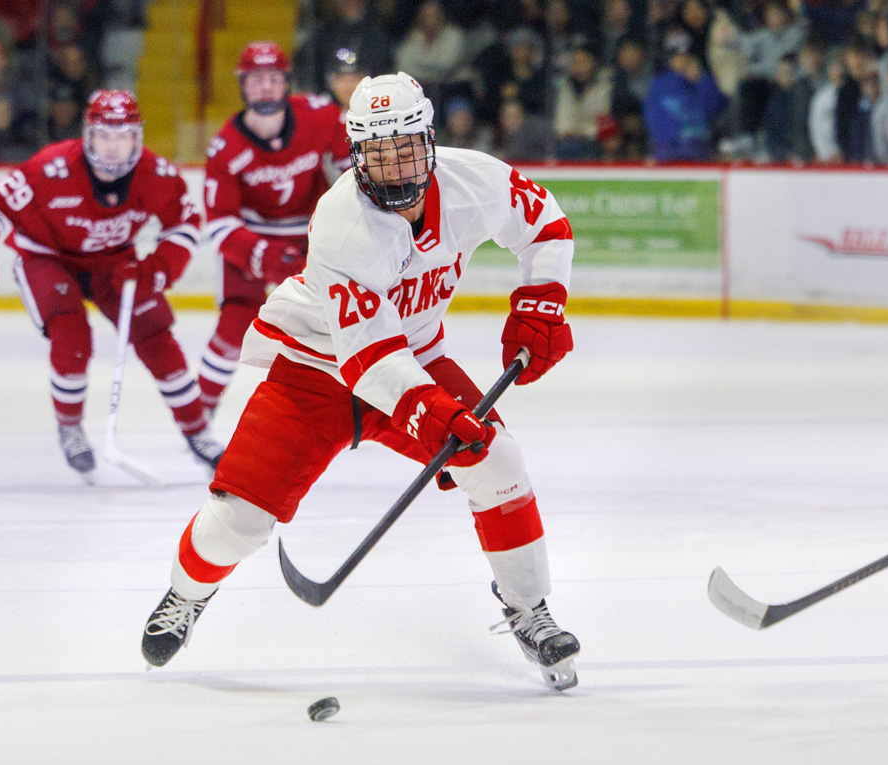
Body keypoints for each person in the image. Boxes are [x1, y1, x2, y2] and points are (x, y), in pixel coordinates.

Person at [140, 73, 582, 690]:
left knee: (498, 459)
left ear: (429, 139)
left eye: (406, 147)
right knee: (238, 520)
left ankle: (528, 608)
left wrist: (541, 299)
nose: (395, 164)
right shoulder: (343, 222)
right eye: (378, 151)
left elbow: (546, 225)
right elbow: (366, 357)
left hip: (415, 359)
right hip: (316, 370)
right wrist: (429, 410)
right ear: (355, 153)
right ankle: (184, 594)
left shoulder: (471, 177)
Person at [0, 89, 226, 477]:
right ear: (88, 135)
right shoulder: (51, 167)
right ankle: (70, 426)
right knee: (71, 336)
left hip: (114, 261)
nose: (113, 148)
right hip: (47, 257)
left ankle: (198, 433)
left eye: (123, 136)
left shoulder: (156, 174)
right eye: (104, 136)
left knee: (156, 336)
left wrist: (158, 267)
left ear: (138, 137)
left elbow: (185, 222)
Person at [196, 41, 348, 417]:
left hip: (310, 237)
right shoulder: (225, 147)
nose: (265, 87)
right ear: (242, 86)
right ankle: (198, 413)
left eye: (273, 78)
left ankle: (340, 404)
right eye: (256, 79)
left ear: (287, 82)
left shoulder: (321, 116)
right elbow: (221, 225)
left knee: (331, 324)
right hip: (252, 241)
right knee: (234, 329)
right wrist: (263, 256)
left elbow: (353, 169)